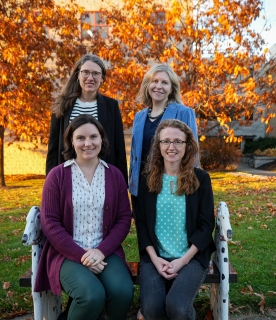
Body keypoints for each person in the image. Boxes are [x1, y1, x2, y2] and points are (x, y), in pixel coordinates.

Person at [34, 114, 134, 320]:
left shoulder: (114, 175)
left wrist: (100, 251)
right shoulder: (58, 175)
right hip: (67, 253)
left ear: (101, 139)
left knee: (122, 292)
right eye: (80, 138)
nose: (87, 143)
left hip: (105, 251)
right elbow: (50, 223)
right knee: (90, 296)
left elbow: (124, 219)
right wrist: (82, 255)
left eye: (93, 137)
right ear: (71, 141)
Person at [135, 119, 215, 320]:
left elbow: (206, 226)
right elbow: (142, 225)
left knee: (178, 308)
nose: (172, 147)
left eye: (178, 142)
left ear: (187, 146)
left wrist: (182, 261)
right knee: (151, 309)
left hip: (191, 257)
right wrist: (154, 258)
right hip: (155, 257)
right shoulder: (147, 180)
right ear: (158, 146)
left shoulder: (201, 179)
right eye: (166, 141)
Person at [46, 53, 128, 185]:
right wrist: (50, 182)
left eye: (96, 74)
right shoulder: (63, 104)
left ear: (102, 79)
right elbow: (53, 146)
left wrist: (122, 184)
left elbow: (119, 146)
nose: (90, 78)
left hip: (102, 176)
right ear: (78, 75)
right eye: (85, 72)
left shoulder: (111, 106)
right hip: (68, 176)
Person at [129, 63, 198, 215]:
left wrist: (192, 183)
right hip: (140, 185)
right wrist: (132, 185)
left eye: (164, 82)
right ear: (148, 85)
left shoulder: (184, 113)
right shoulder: (139, 117)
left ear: (172, 88)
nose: (158, 86)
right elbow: (135, 154)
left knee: (166, 229)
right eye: (154, 81)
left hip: (170, 182)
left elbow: (193, 151)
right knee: (144, 232)